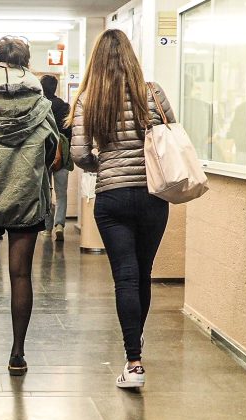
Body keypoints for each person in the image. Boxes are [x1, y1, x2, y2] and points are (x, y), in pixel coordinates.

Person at [69, 29, 175, 389]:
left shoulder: (88, 98)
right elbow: (170, 133)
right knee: (142, 274)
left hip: (112, 197)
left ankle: (134, 362)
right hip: (152, 195)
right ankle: (136, 339)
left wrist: (104, 164)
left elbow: (79, 154)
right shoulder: (152, 92)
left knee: (124, 277)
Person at [0, 36, 59, 376]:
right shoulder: (43, 109)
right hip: (26, 200)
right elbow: (51, 153)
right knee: (21, 274)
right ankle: (17, 354)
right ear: (26, 67)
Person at [40, 74, 72, 241]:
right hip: (62, 152)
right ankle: (59, 224)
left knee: (45, 192)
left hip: (43, 154)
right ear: (56, 87)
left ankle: (46, 228)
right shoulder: (65, 107)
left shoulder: (39, 106)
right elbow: (70, 130)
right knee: (61, 193)